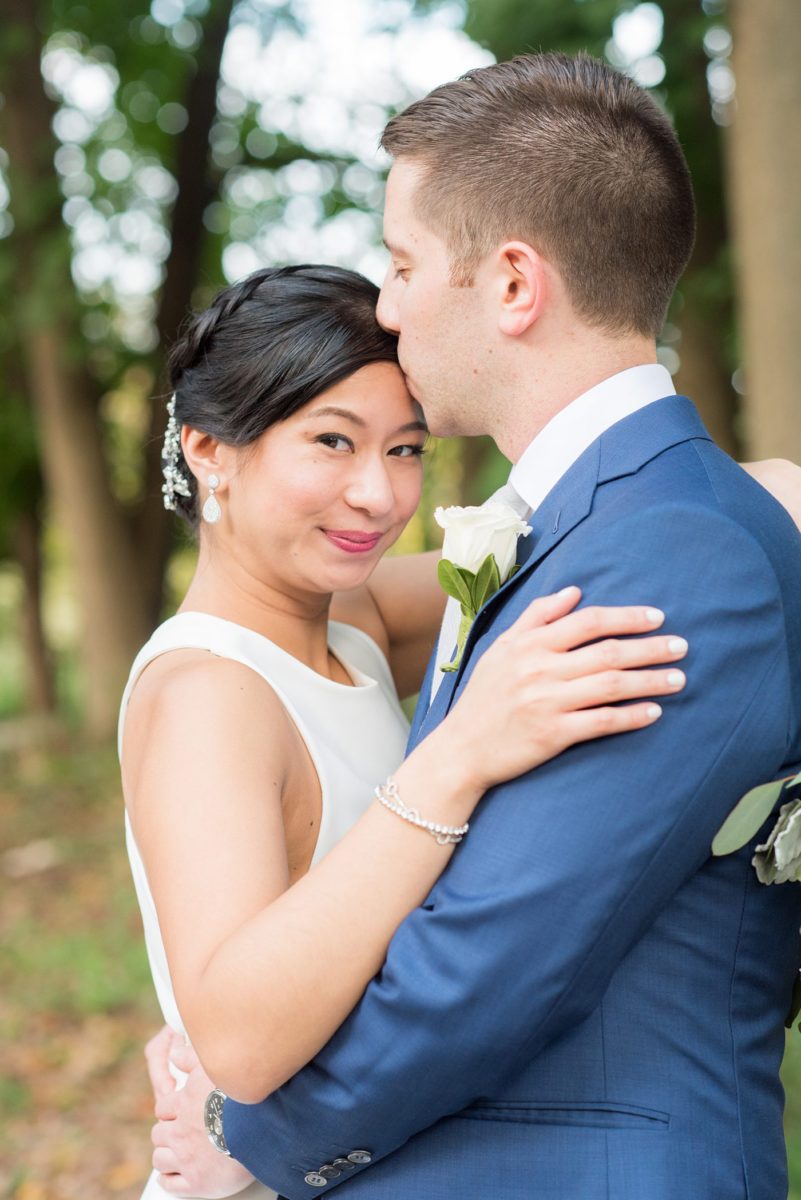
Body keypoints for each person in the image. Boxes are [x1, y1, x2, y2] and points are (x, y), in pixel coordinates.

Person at [148, 52, 801, 1200]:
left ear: (512, 284)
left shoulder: (666, 552)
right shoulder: (589, 531)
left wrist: (255, 1139)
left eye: (402, 264)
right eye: (331, 442)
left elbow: (495, 959)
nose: (387, 306)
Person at [120, 262, 692, 1200]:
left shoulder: (354, 618)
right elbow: (240, 1039)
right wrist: (461, 752)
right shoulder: (207, 692)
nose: (379, 498)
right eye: (332, 442)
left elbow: (591, 536)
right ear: (210, 450)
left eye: (405, 450)